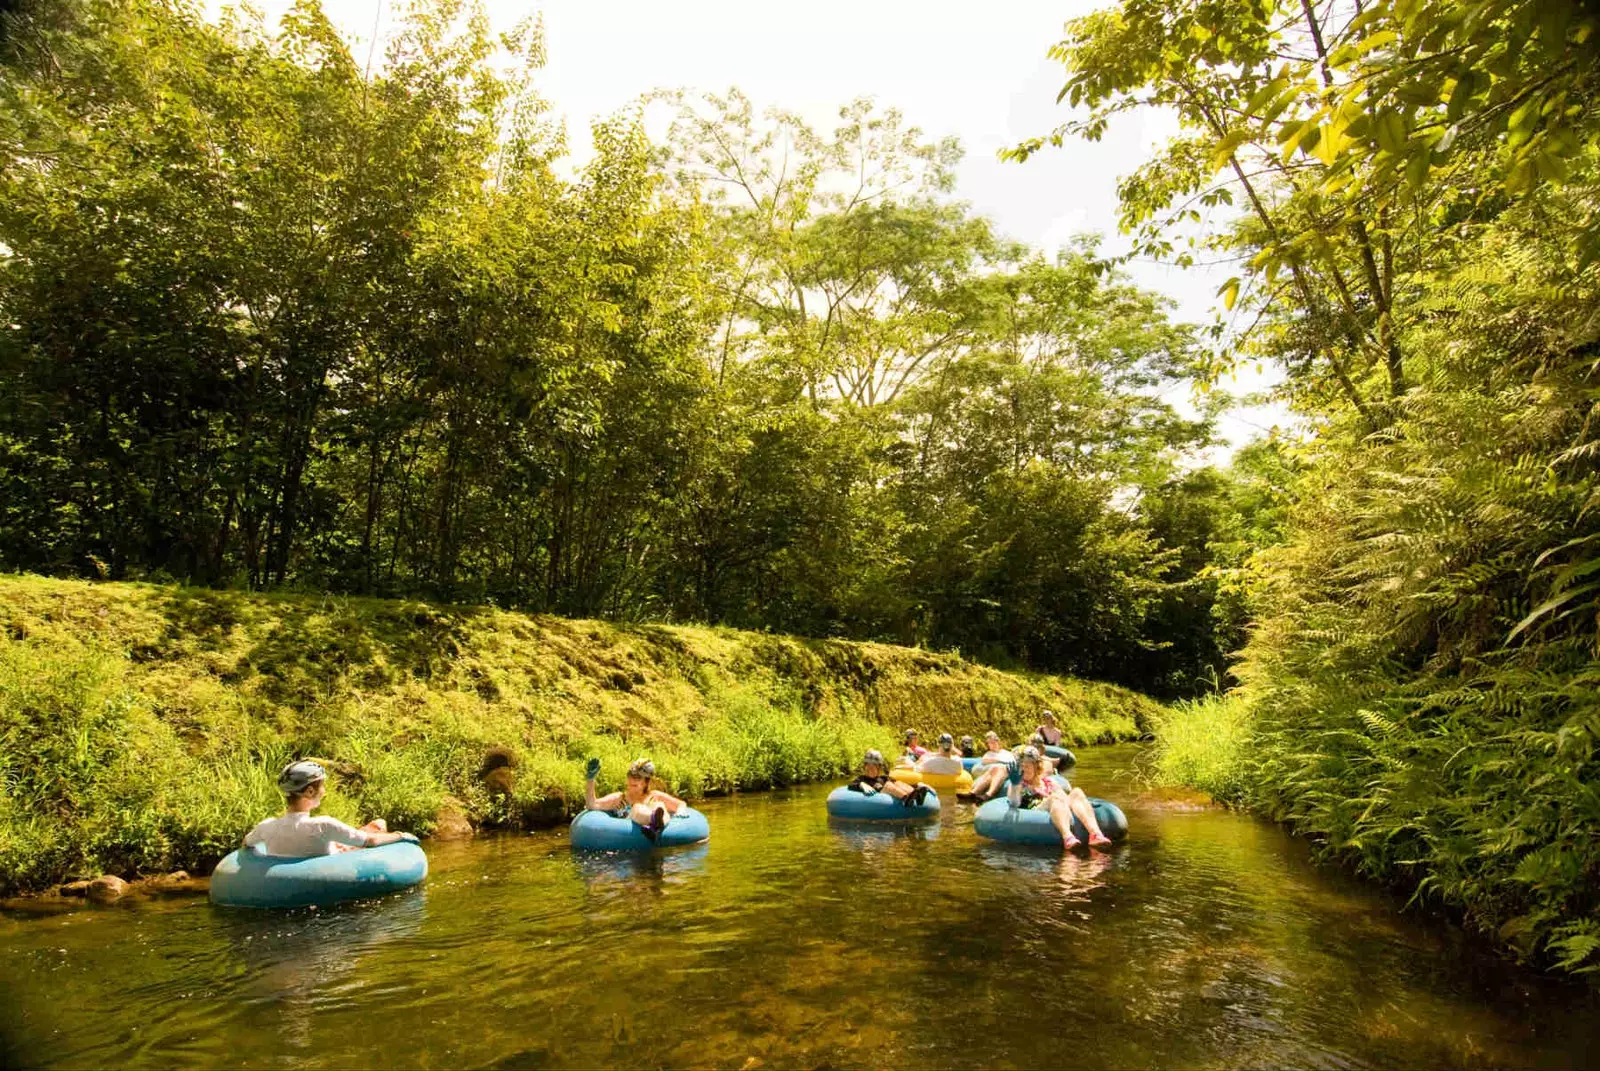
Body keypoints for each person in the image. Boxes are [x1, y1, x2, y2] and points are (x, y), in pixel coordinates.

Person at [243, 760, 413, 857]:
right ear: (310, 791)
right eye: (322, 786)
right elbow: (372, 841)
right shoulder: (323, 825)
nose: (324, 792)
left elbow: (246, 843)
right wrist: (401, 835)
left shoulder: (266, 826)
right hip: (334, 865)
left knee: (365, 830)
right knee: (379, 824)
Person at [1006, 746, 1112, 851]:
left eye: (1027, 766)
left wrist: (1081, 803)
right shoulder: (1018, 784)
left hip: (1056, 807)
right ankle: (1067, 836)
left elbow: (1064, 798)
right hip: (1036, 810)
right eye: (1021, 766)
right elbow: (1014, 803)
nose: (1023, 769)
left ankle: (1095, 834)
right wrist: (1015, 785)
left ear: (1036, 767)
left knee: (1076, 792)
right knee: (1055, 797)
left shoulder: (1048, 782)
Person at [584, 756, 687, 842]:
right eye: (630, 775)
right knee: (637, 807)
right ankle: (653, 821)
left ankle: (657, 825)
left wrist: (680, 812)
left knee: (659, 805)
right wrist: (590, 779)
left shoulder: (655, 796)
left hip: (655, 829)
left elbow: (680, 804)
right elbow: (592, 804)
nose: (632, 779)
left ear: (646, 782)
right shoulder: (619, 798)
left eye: (637, 778)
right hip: (627, 835)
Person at [846, 749, 930, 806]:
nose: (869, 769)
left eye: (873, 767)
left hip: (891, 790)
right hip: (881, 795)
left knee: (897, 782)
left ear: (879, 768)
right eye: (867, 766)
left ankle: (916, 795)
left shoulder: (883, 778)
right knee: (888, 785)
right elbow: (850, 785)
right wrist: (861, 785)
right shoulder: (862, 779)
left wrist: (916, 785)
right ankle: (906, 799)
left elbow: (899, 784)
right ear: (864, 767)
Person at [967, 732, 1017, 800]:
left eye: (994, 742)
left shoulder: (1007, 753)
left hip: (1006, 770)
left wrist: (998, 762)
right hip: (994, 771)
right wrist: (999, 761)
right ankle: (973, 793)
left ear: (998, 742)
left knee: (997, 768)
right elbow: (985, 761)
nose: (992, 745)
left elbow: (1012, 763)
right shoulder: (988, 754)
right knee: (995, 768)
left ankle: (988, 794)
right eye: (990, 743)